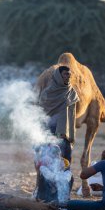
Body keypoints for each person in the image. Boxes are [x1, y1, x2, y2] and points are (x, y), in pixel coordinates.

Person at [34, 66, 79, 202]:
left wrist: (68, 133)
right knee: (46, 166)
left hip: (63, 135)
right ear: (59, 76)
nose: (68, 77)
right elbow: (41, 114)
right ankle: (45, 195)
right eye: (65, 74)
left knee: (65, 165)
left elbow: (72, 116)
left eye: (69, 74)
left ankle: (64, 196)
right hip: (48, 135)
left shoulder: (71, 92)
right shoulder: (47, 93)